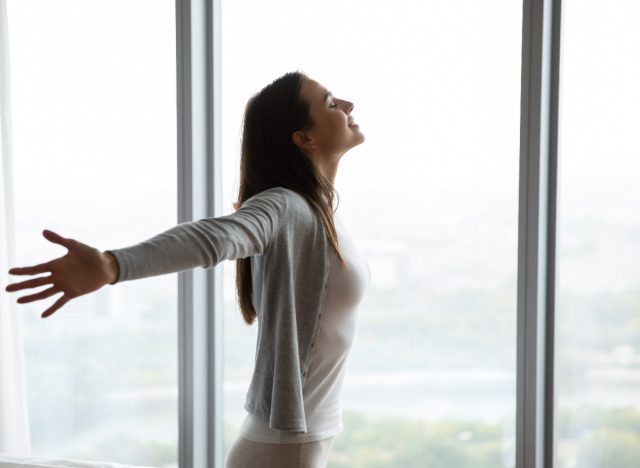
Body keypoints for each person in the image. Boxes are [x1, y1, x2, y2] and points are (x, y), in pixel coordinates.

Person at [5, 71, 371, 468]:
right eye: (332, 103)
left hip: (303, 440)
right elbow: (216, 237)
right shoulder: (285, 206)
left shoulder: (321, 214)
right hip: (284, 450)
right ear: (304, 138)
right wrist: (114, 264)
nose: (348, 106)